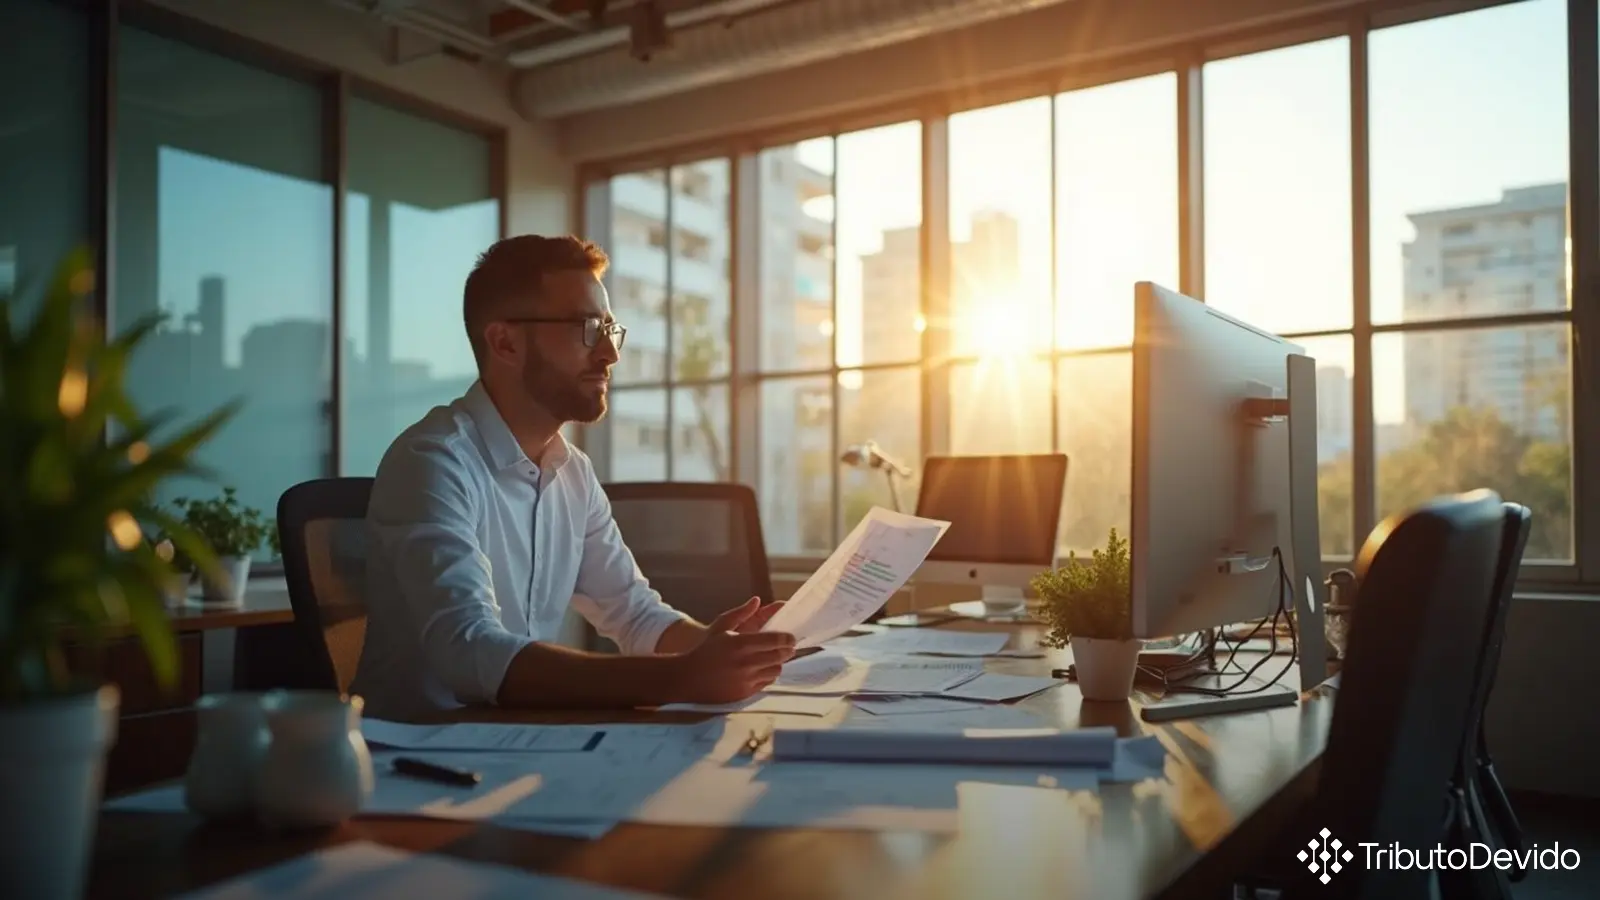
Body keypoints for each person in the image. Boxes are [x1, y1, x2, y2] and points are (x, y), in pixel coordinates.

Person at [350, 235, 796, 721]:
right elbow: (469, 648)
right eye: (587, 327)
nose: (610, 353)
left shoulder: (573, 472)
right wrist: (680, 676)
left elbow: (636, 615)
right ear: (506, 342)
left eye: (609, 328)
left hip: (520, 742)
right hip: (421, 760)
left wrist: (720, 648)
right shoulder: (432, 462)